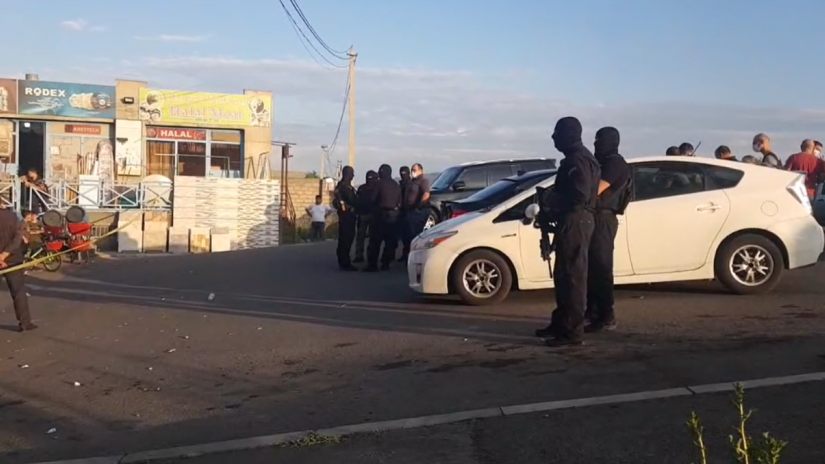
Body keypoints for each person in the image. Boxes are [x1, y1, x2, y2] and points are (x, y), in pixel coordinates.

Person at [534, 117, 600, 347]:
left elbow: (580, 195)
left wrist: (551, 200)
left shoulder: (578, 160)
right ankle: (562, 324)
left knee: (573, 277)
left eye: (558, 132)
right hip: (573, 220)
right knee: (564, 276)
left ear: (569, 134)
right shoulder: (578, 158)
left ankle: (572, 332)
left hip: (577, 220)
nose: (553, 137)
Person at [585, 127, 631, 333]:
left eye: (599, 140)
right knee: (592, 268)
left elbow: (595, 190)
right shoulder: (603, 162)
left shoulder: (614, 163)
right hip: (596, 218)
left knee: (601, 268)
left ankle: (606, 315)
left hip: (604, 218)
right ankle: (593, 311)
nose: (596, 144)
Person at [0, 207, 35, 332]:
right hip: (13, 258)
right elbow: (17, 238)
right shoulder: (13, 216)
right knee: (18, 291)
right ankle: (25, 322)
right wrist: (4, 254)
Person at [366, 164, 401, 272]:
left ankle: (373, 265)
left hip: (380, 215)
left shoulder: (379, 183)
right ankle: (385, 263)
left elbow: (372, 199)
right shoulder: (396, 184)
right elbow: (400, 201)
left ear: (382, 172)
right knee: (389, 241)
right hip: (393, 215)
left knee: (375, 241)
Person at [333, 166, 358, 271]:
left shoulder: (348, 187)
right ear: (347, 174)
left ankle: (344, 260)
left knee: (348, 238)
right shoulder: (342, 187)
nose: (353, 176)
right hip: (346, 217)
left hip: (350, 216)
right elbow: (340, 203)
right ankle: (344, 262)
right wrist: (348, 208)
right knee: (345, 239)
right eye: (351, 173)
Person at [354, 170, 378, 263]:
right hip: (363, 214)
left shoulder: (376, 188)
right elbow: (357, 201)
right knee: (361, 236)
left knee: (371, 237)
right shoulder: (362, 188)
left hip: (372, 215)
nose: (370, 180)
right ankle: (360, 255)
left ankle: (368, 256)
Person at [397, 166, 412, 262]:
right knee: (404, 236)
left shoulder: (411, 184)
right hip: (401, 212)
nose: (403, 175)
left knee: (409, 236)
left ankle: (408, 255)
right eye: (401, 173)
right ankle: (405, 254)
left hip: (409, 211)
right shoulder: (401, 184)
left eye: (404, 173)